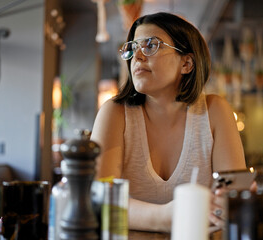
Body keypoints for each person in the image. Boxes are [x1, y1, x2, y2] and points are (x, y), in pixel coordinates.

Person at [91, 12, 247, 232]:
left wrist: (228, 205)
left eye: (151, 45)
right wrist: (168, 216)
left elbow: (233, 200)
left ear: (187, 63)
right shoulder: (115, 114)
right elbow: (99, 200)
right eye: (133, 48)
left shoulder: (214, 111)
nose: (138, 57)